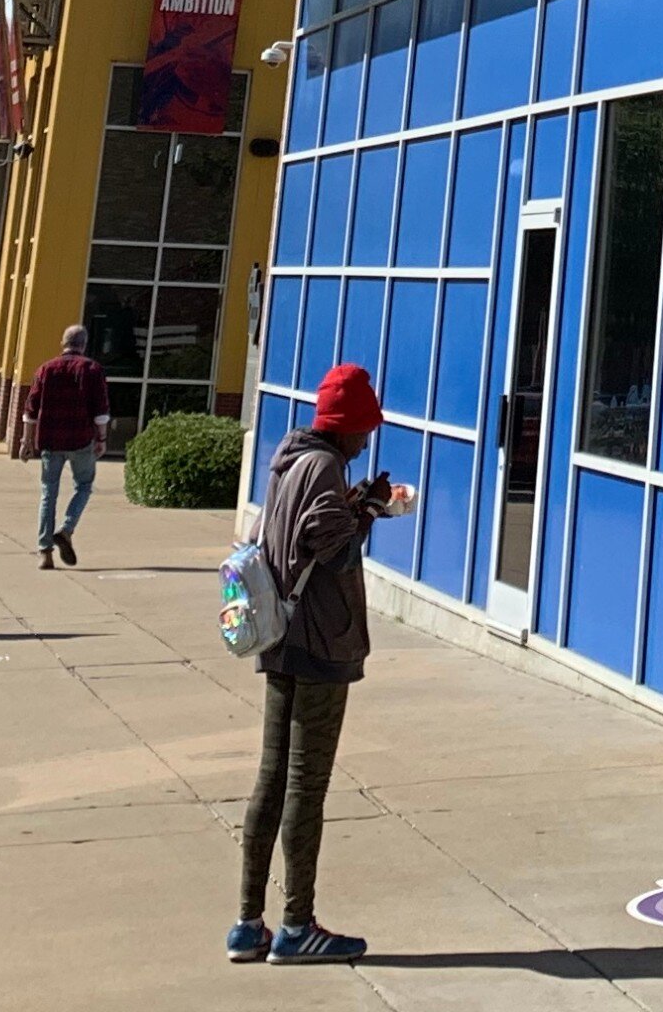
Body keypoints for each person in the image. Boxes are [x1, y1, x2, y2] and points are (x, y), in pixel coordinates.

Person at [231, 364, 411, 966]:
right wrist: (372, 512)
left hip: (279, 639)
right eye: (365, 429)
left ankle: (247, 922)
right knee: (307, 787)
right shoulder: (327, 466)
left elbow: (303, 528)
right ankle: (297, 923)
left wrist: (358, 502)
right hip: (318, 643)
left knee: (270, 779)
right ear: (350, 426)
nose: (367, 440)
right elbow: (328, 544)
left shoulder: (290, 462)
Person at [29, 323, 110, 566]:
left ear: (63, 343)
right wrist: (102, 439)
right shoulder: (92, 369)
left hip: (50, 439)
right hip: (80, 439)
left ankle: (45, 552)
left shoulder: (45, 369)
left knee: (48, 493)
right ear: (83, 344)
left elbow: (30, 409)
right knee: (84, 485)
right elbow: (101, 411)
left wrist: (25, 440)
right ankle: (67, 528)